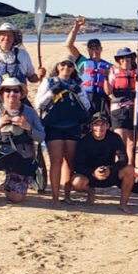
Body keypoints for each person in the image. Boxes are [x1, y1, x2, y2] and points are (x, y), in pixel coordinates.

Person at [0, 75, 46, 209]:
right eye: (7, 90)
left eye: (16, 90)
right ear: (1, 93)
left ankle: (1, 186)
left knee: (17, 198)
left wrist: (28, 127)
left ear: (21, 94)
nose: (12, 94)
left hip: (21, 156)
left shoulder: (30, 113)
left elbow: (41, 137)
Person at [35, 56, 92, 202]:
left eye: (70, 66)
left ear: (74, 68)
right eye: (63, 65)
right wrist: (52, 92)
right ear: (58, 66)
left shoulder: (78, 84)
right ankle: (55, 197)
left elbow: (87, 106)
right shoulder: (49, 82)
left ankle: (66, 195)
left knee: (70, 161)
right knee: (56, 161)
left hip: (73, 126)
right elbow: (38, 104)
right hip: (53, 126)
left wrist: (78, 91)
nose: (66, 68)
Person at [70, 112, 134, 213]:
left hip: (110, 173)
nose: (99, 128)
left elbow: (123, 159)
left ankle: (123, 204)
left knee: (130, 170)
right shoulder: (84, 141)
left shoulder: (114, 137)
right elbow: (78, 165)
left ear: (108, 126)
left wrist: (110, 169)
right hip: (90, 175)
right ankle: (90, 191)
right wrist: (93, 172)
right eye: (96, 125)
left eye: (102, 124)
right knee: (76, 182)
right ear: (91, 126)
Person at [64, 17, 112, 114]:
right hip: (85, 96)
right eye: (91, 48)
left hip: (102, 98)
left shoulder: (109, 66)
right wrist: (76, 27)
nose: (94, 51)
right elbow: (69, 45)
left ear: (101, 49)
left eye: (97, 48)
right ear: (88, 50)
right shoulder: (82, 62)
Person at [0, 22, 44, 90]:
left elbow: (32, 78)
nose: (6, 38)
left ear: (14, 38)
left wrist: (39, 75)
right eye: (3, 34)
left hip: (19, 97)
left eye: (10, 35)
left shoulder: (23, 55)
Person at [105, 47, 138, 163]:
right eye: (123, 58)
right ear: (119, 60)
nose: (126, 60)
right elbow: (108, 91)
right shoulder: (114, 72)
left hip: (134, 110)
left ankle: (130, 167)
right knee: (120, 141)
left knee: (132, 143)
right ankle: (119, 167)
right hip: (118, 110)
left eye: (128, 57)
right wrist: (105, 78)